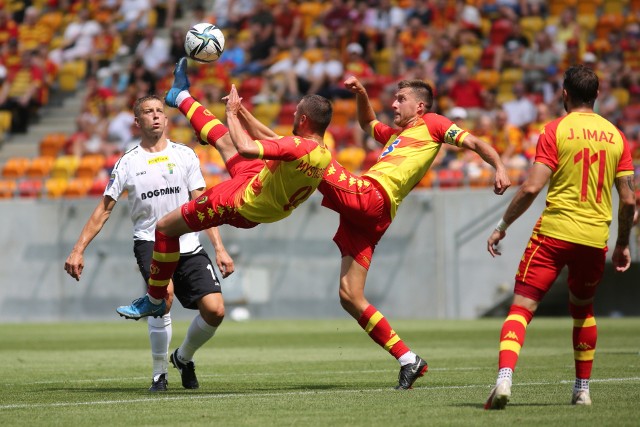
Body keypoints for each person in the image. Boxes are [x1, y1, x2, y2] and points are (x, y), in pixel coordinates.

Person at [232, 75, 511, 390]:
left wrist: (499, 167)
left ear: (419, 106)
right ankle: (408, 360)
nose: (394, 103)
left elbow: (474, 142)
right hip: (372, 214)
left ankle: (244, 124)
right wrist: (362, 93)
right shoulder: (396, 135)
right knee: (350, 296)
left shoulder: (432, 123)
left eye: (401, 98)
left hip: (371, 196)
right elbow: (367, 123)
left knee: (307, 153)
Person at [116, 57, 333, 320]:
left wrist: (231, 112)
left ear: (304, 118)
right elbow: (271, 138)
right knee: (227, 141)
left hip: (241, 202)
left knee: (164, 228)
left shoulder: (298, 147)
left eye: (297, 111)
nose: (294, 114)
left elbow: (248, 148)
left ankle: (153, 299)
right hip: (259, 185)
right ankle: (179, 96)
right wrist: (241, 111)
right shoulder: (321, 153)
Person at [484, 65, 636, 409]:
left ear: (564, 93)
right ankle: (582, 390)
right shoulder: (616, 136)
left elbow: (532, 186)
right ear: (597, 96)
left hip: (553, 233)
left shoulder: (555, 130)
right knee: (583, 311)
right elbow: (628, 199)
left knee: (522, 307)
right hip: (594, 237)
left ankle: (504, 380)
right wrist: (623, 242)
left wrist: (502, 226)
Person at [65, 94, 235, 392]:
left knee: (215, 311)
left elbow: (202, 204)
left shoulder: (185, 155)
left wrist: (219, 248)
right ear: (137, 121)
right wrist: (78, 250)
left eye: (159, 111)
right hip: (150, 242)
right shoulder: (127, 163)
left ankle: (183, 357)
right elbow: (104, 209)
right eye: (148, 111)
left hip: (189, 243)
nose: (155, 115)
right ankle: (159, 374)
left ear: (166, 119)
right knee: (163, 298)